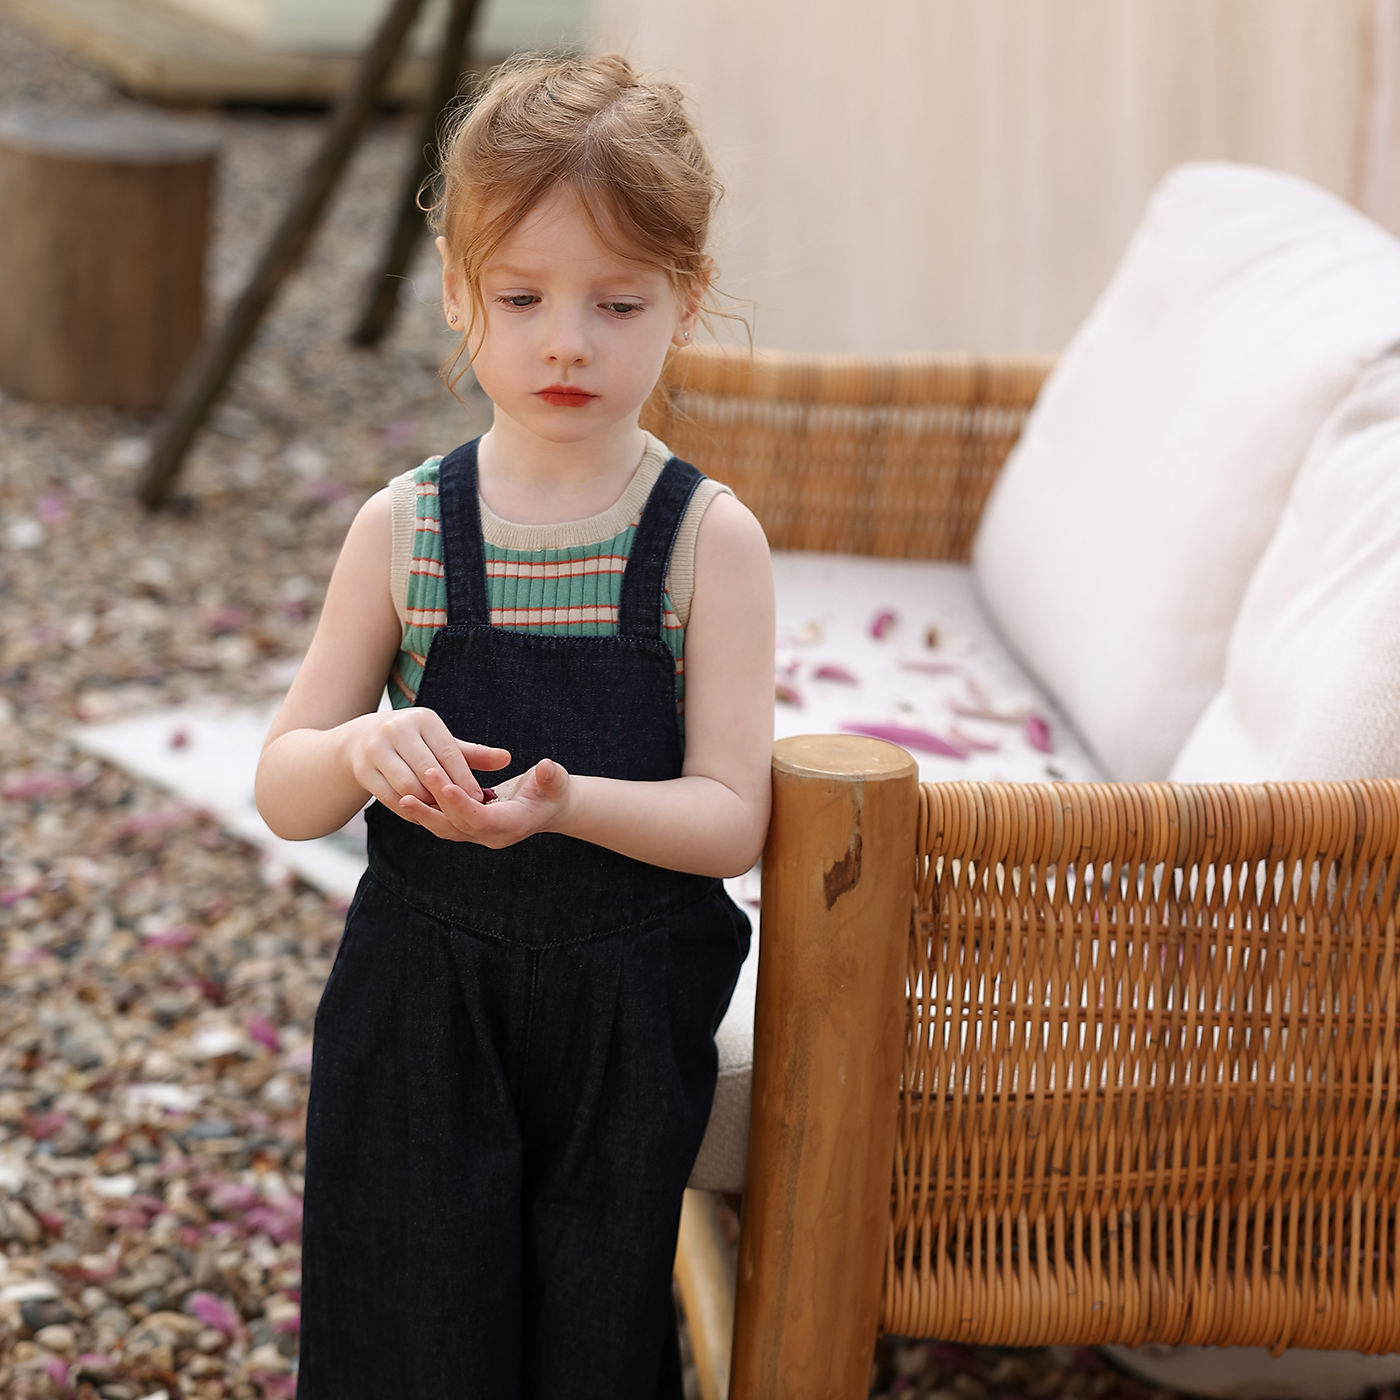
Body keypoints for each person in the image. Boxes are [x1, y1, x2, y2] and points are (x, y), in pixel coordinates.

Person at [253, 52, 775, 1400]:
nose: (566, 342)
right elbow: (285, 786)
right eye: (523, 297)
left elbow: (733, 815)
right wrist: (365, 747)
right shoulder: (407, 529)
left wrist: (572, 803)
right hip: (421, 1001)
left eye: (617, 302)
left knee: (594, 1335)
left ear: (686, 304)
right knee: (402, 1318)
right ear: (455, 294)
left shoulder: (705, 544)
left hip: (623, 1013)